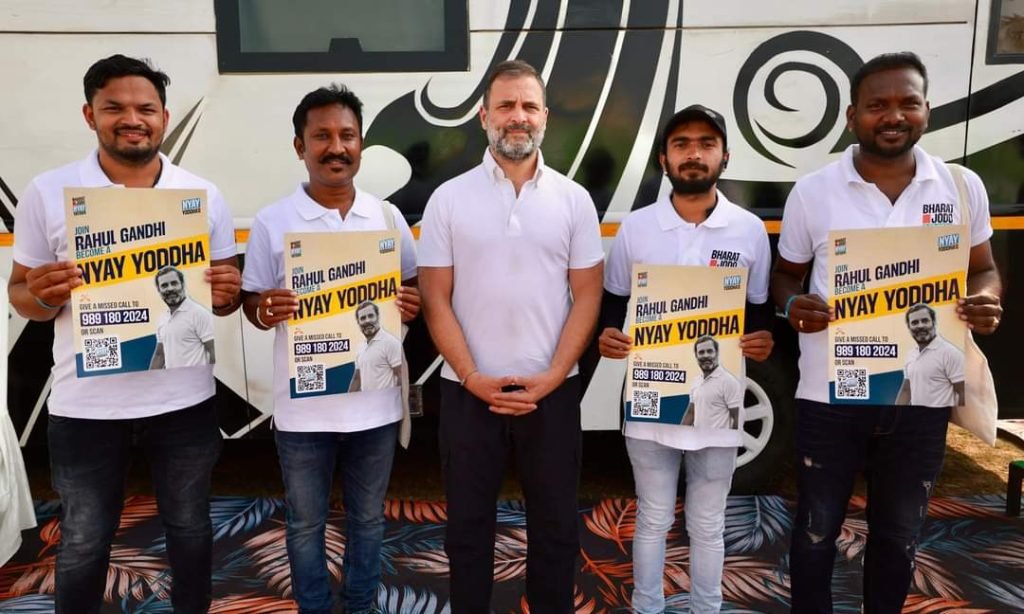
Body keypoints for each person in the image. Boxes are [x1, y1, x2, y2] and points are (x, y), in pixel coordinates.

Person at [8, 54, 241, 614]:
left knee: (190, 527)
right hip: (85, 402)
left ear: (164, 117)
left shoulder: (202, 194)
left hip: (184, 398)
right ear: (90, 115)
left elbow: (226, 295)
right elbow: (21, 296)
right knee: (85, 538)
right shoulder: (49, 192)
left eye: (146, 109)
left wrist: (229, 294)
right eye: (115, 107)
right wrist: (44, 293)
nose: (132, 119)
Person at [771, 51, 1003, 613]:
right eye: (878, 105)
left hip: (922, 396)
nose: (894, 116)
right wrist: (793, 304)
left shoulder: (961, 186)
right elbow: (784, 276)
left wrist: (987, 300)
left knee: (899, 536)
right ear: (853, 116)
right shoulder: (813, 191)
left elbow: (984, 268)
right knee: (816, 531)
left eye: (908, 103)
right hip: (830, 394)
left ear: (927, 110)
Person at [418, 59, 604, 612]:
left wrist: (553, 376)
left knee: (556, 531)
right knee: (467, 532)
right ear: (484, 116)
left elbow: (587, 295)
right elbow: (435, 297)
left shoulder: (574, 200)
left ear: (545, 116)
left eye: (528, 106)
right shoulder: (448, 198)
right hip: (468, 392)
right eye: (505, 105)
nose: (517, 116)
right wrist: (472, 375)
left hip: (552, 392)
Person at [240, 84, 419, 614]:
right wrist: (264, 309)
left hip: (376, 408)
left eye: (347, 136)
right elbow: (251, 302)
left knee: (368, 519)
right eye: (322, 136)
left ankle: (360, 605)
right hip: (303, 412)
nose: (336, 147)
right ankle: (314, 607)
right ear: (300, 146)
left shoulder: (387, 219)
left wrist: (411, 306)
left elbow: (412, 293)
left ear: (361, 145)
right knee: (304, 522)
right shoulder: (273, 221)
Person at [598, 104, 773, 614]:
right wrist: (609, 335)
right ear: (664, 159)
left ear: (724, 156)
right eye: (681, 144)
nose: (693, 153)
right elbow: (613, 301)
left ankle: (706, 608)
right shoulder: (637, 228)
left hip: (720, 405)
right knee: (653, 517)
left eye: (706, 143)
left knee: (708, 523)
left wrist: (763, 340)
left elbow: (759, 310)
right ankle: (646, 606)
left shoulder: (749, 230)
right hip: (651, 400)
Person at [895, 303, 965, 407]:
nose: (920, 326)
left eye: (925, 321)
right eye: (914, 322)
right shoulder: (911, 354)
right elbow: (906, 390)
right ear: (909, 328)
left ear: (934, 322)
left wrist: (957, 417)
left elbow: (963, 392)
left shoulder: (950, 353)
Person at [151, 265, 215, 368]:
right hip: (172, 378)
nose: (170, 288)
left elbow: (214, 351)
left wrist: (208, 376)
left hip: (195, 378)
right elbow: (160, 355)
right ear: (159, 290)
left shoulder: (199, 313)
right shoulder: (162, 318)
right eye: (164, 285)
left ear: (182, 284)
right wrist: (148, 378)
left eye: (174, 283)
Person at [685, 336, 743, 431]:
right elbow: (691, 413)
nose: (706, 355)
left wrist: (730, 438)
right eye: (701, 352)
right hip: (697, 438)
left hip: (718, 439)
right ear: (696, 356)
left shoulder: (728, 381)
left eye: (710, 351)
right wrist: (678, 435)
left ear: (717, 353)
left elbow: (737, 417)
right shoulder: (696, 381)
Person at [349, 300, 402, 393]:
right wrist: (347, 400)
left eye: (371, 316)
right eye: (363, 318)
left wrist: (396, 398)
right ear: (358, 322)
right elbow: (357, 379)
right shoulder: (360, 347)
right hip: (367, 401)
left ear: (378, 317)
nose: (367, 320)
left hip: (386, 401)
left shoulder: (390, 342)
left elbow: (401, 375)